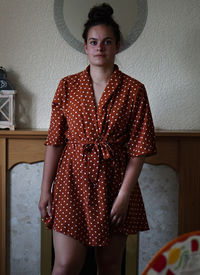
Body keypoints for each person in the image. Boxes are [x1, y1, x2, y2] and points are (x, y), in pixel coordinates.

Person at [38, 3, 156, 275]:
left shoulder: (134, 90)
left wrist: (124, 196)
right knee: (65, 265)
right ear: (85, 46)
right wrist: (46, 189)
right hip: (72, 183)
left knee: (111, 266)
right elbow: (55, 141)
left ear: (117, 46)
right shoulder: (67, 85)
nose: (99, 47)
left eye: (106, 42)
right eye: (93, 42)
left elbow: (139, 149)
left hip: (115, 185)